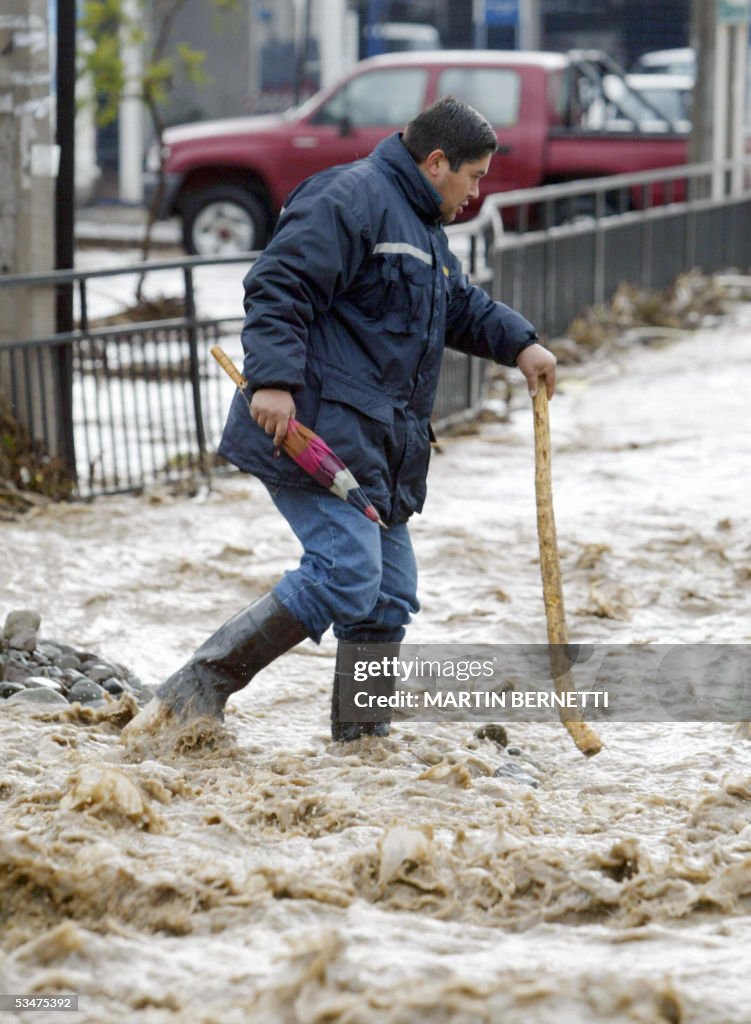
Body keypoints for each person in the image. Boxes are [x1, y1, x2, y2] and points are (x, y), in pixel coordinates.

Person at [133, 96, 556, 741]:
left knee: (389, 593)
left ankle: (360, 745)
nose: (477, 193)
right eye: (474, 176)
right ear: (437, 162)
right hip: (308, 432)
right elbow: (279, 285)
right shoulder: (350, 197)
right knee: (348, 572)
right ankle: (192, 692)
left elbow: (460, 307)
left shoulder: (424, 228)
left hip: (374, 447)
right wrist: (272, 382)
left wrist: (522, 345)